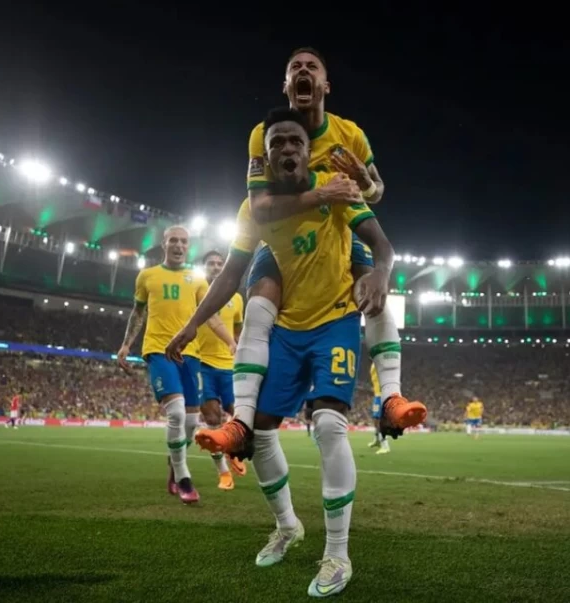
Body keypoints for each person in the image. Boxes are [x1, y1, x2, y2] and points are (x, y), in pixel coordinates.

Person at [166, 107, 395, 597]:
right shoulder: (254, 211)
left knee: (330, 424)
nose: (287, 149)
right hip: (287, 330)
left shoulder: (335, 185)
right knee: (261, 436)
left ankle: (337, 554)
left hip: (334, 319)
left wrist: (379, 271)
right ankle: (288, 526)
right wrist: (188, 327)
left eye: (295, 142)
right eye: (277, 145)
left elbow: (380, 240)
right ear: (264, 158)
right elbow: (230, 275)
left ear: (306, 150)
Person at [195, 47, 425, 460]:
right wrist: (320, 192)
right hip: (280, 236)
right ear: (286, 86)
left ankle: (391, 397)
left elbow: (377, 192)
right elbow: (260, 207)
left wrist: (363, 184)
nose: (303, 72)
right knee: (259, 297)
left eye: (311, 67)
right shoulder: (260, 134)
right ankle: (242, 421)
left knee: (368, 284)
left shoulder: (350, 133)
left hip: (337, 226)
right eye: (294, 68)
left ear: (325, 85)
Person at [116, 225, 236, 505]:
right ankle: (183, 476)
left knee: (192, 420)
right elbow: (138, 313)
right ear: (164, 244)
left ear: (188, 246)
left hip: (191, 354)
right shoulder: (147, 276)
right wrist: (126, 344)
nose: (179, 245)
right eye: (173, 241)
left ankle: (173, 465)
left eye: (183, 241)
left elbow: (212, 317)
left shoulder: (197, 280)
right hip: (158, 350)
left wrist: (231, 342)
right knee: (178, 414)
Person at [196, 250, 247, 489]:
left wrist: (238, 351)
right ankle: (223, 473)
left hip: (228, 367)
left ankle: (233, 451)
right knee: (212, 418)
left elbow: (238, 330)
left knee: (239, 415)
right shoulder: (195, 293)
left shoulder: (236, 298)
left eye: (220, 263)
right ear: (204, 268)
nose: (216, 267)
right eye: (210, 264)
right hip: (201, 363)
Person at [367, 366, 390, 454]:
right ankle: (377, 440)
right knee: (375, 419)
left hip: (382, 395)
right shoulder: (373, 364)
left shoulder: (381, 362)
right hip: (377, 396)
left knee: (380, 420)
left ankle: (385, 445)